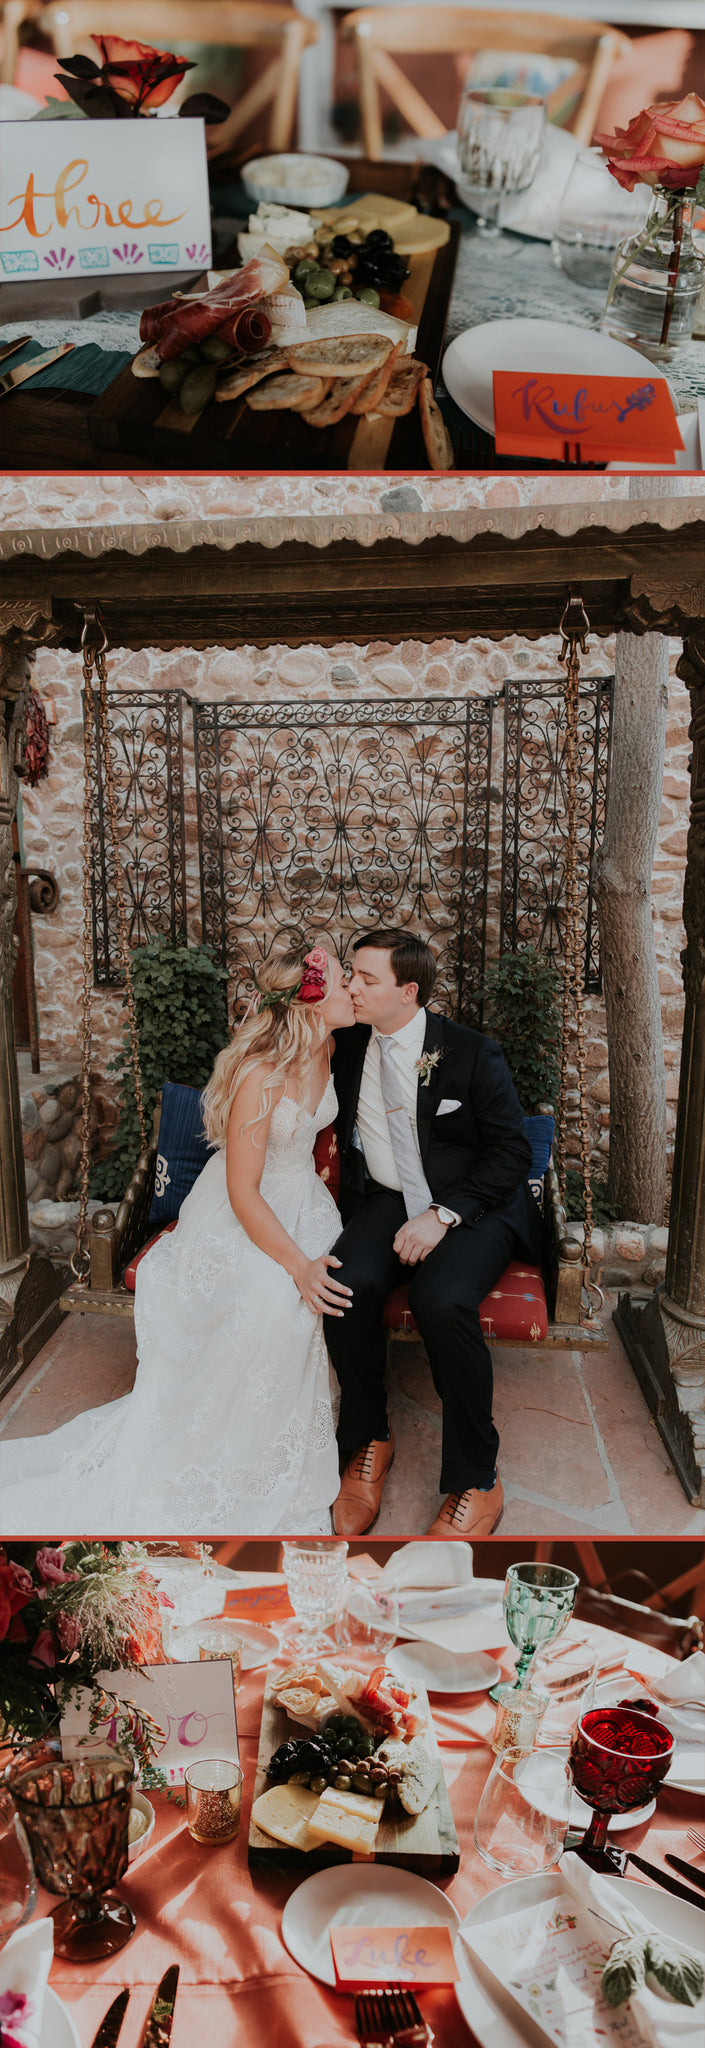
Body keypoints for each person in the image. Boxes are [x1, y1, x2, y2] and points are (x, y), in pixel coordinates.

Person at [0, 945, 354, 1536]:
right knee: (273, 1302)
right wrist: (296, 1265)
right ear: (310, 1001)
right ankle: (229, 1454)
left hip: (304, 1204)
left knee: (317, 1297)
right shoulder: (261, 1075)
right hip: (242, 1212)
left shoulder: (333, 1047)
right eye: (344, 982)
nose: (353, 992)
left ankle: (277, 1438)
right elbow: (244, 1194)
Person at [325, 928, 543, 1539]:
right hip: (387, 1200)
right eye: (351, 973)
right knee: (346, 1284)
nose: (353, 987)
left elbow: (510, 1152)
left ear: (409, 990)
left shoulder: (472, 1052)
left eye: (367, 979)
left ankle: (478, 1477)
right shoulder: (344, 1044)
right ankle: (370, 1438)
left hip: (475, 1206)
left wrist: (443, 1213)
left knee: (441, 1300)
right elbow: (274, 1032)